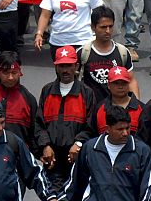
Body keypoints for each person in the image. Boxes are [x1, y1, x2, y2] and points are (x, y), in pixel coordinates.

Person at [61, 105, 151, 201]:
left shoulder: (142, 151)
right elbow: (75, 183)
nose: (125, 133)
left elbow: (150, 188)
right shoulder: (90, 149)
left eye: (127, 128)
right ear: (107, 128)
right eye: (120, 129)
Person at [35, 47, 96, 193]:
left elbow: (91, 125)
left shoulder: (87, 93)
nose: (65, 70)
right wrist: (45, 146)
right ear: (56, 67)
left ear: (76, 66)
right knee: (52, 195)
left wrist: (79, 143)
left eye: (69, 65)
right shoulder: (47, 91)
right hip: (53, 160)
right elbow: (39, 123)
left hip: (77, 159)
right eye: (62, 66)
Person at [77, 6, 138, 104]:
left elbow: (131, 81)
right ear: (93, 27)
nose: (108, 31)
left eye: (110, 26)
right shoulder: (83, 53)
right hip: (91, 111)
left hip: (117, 112)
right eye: (103, 27)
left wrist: (136, 107)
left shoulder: (122, 52)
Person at [0, 50, 38, 149]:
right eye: (6, 72)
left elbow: (34, 130)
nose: (10, 77)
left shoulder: (28, 99)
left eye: (14, 73)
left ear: (20, 72)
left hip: (18, 155)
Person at [93, 67, 144, 134]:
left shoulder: (142, 109)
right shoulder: (99, 109)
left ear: (129, 84)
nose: (120, 87)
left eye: (124, 83)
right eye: (116, 83)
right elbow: (91, 134)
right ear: (108, 85)